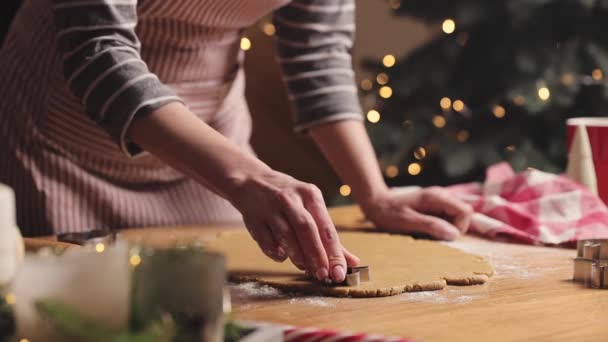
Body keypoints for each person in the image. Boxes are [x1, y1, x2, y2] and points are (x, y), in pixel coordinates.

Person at [0, 0, 472, 283]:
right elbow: (97, 51)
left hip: (213, 136)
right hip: (60, 136)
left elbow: (318, 52)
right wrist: (247, 176)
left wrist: (375, 194)